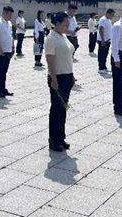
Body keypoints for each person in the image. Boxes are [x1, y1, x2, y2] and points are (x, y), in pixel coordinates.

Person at [45, 11, 75, 152]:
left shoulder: (63, 36)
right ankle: (53, 139)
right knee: (56, 109)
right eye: (65, 24)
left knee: (63, 109)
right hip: (58, 77)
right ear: (57, 24)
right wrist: (54, 79)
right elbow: (50, 60)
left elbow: (68, 57)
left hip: (67, 76)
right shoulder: (51, 38)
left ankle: (61, 137)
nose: (67, 26)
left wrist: (72, 75)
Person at [0, 6, 15, 98]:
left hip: (8, 50)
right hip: (1, 51)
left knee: (4, 71)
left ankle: (3, 89)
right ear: (5, 13)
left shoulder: (9, 23)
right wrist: (0, 49)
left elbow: (11, 36)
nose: (11, 16)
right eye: (10, 14)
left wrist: (13, 47)